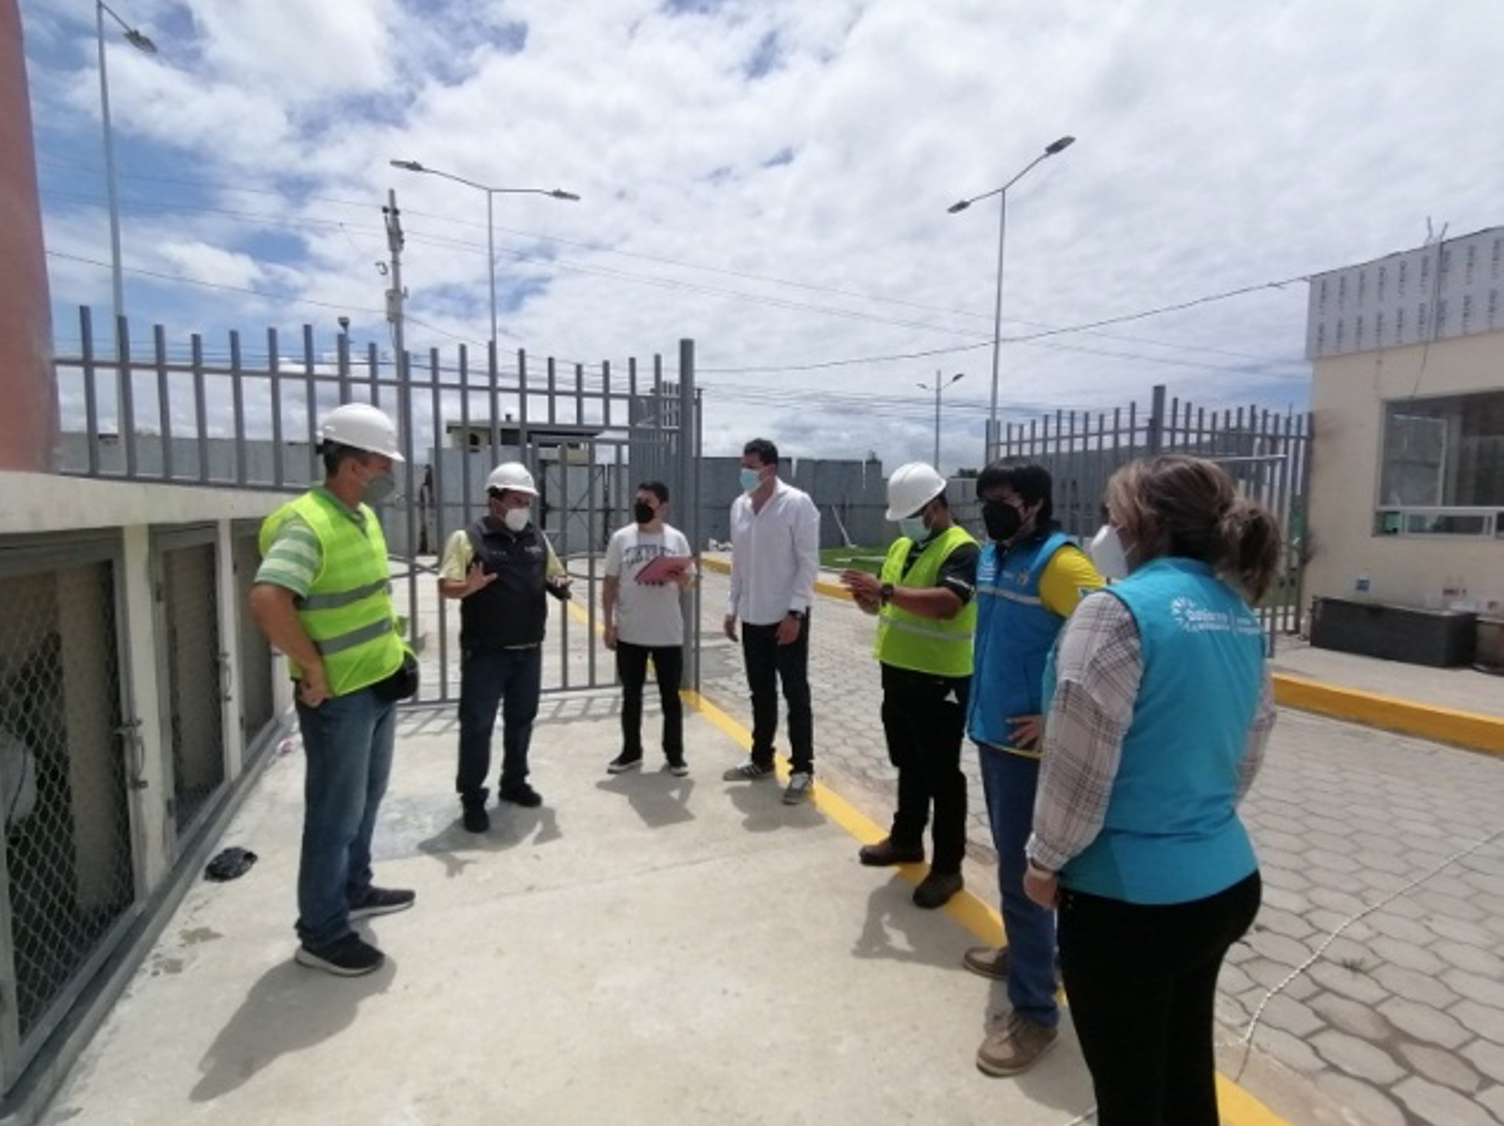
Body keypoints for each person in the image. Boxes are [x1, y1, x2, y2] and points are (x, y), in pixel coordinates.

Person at [1024, 455, 1279, 1126]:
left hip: (1129, 903)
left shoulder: (1114, 612)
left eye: (1112, 516)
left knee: (1130, 1093)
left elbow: (1079, 765)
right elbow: (1247, 751)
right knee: (1185, 1068)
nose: (1105, 529)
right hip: (1224, 882)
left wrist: (1045, 859)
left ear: (1148, 525)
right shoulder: (1238, 614)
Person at [249, 402, 416, 977]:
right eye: (380, 463)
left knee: (366, 801)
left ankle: (353, 888)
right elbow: (269, 599)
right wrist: (311, 669)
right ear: (352, 463)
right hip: (339, 698)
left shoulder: (361, 518)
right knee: (333, 815)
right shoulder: (307, 522)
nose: (386, 475)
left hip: (376, 686)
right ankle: (320, 932)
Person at [965, 462, 1104, 1076]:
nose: (991, 509)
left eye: (1002, 499)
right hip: (993, 734)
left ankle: (1036, 1014)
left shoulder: (1062, 564)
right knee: (1011, 865)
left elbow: (1106, 650)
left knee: (1028, 875)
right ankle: (1031, 955)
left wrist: (1054, 716)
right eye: (985, 499)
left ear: (1035, 503)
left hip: (1029, 749)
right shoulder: (996, 556)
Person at [840, 462, 978, 909]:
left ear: (936, 507)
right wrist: (869, 600)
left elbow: (946, 606)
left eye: (913, 512)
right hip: (898, 673)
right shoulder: (902, 545)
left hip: (940, 680)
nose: (906, 521)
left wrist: (883, 592)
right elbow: (891, 605)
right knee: (910, 764)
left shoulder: (963, 549)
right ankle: (906, 839)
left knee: (942, 775)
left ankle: (948, 867)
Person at [438, 462, 571, 833]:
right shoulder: (468, 539)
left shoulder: (535, 537)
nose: (523, 507)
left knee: (521, 722)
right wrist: (470, 586)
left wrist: (559, 581)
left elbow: (552, 572)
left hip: (529, 650)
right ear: (495, 500)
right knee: (478, 726)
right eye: (517, 499)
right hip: (486, 654)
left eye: (527, 501)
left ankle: (514, 783)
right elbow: (445, 586)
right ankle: (472, 798)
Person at [721, 438, 821, 804]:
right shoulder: (740, 507)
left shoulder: (796, 504)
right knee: (760, 693)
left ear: (771, 468)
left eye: (751, 467)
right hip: (752, 616)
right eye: (743, 466)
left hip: (787, 619)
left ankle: (802, 770)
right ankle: (762, 758)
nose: (745, 473)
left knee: (796, 694)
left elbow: (809, 563)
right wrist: (732, 607)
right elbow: (738, 564)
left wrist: (796, 612)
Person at [602, 481, 696, 776]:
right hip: (631, 631)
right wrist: (608, 624)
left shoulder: (676, 539)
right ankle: (631, 752)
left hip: (667, 632)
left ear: (663, 506)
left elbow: (689, 580)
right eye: (638, 499)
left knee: (671, 697)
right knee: (632, 696)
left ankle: (675, 755)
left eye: (648, 500)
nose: (641, 504)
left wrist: (677, 577)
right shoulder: (621, 538)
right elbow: (610, 583)